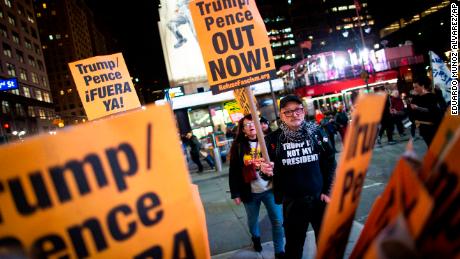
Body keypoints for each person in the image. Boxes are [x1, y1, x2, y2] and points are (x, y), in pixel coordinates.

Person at [260, 94, 337, 259]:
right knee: (294, 248)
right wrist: (264, 171)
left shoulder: (316, 132)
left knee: (326, 244)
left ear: (303, 111)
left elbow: (330, 161)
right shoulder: (273, 140)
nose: (294, 114)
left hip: (320, 199)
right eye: (288, 112)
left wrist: (328, 189)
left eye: (297, 110)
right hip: (293, 203)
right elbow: (265, 173)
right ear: (281, 115)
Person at [228, 114, 285, 258]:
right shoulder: (238, 146)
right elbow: (233, 171)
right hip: (250, 192)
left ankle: (279, 250)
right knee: (253, 221)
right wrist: (235, 193)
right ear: (243, 130)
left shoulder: (270, 141)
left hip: (271, 189)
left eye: (254, 123)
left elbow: (281, 162)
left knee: (278, 221)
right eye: (247, 125)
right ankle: (256, 239)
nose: (251, 126)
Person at [410, 77, 442, 146]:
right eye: (414, 87)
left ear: (423, 86)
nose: (414, 89)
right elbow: (411, 112)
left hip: (433, 128)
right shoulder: (415, 98)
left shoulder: (431, 96)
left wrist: (418, 108)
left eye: (416, 87)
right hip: (422, 128)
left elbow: (432, 110)